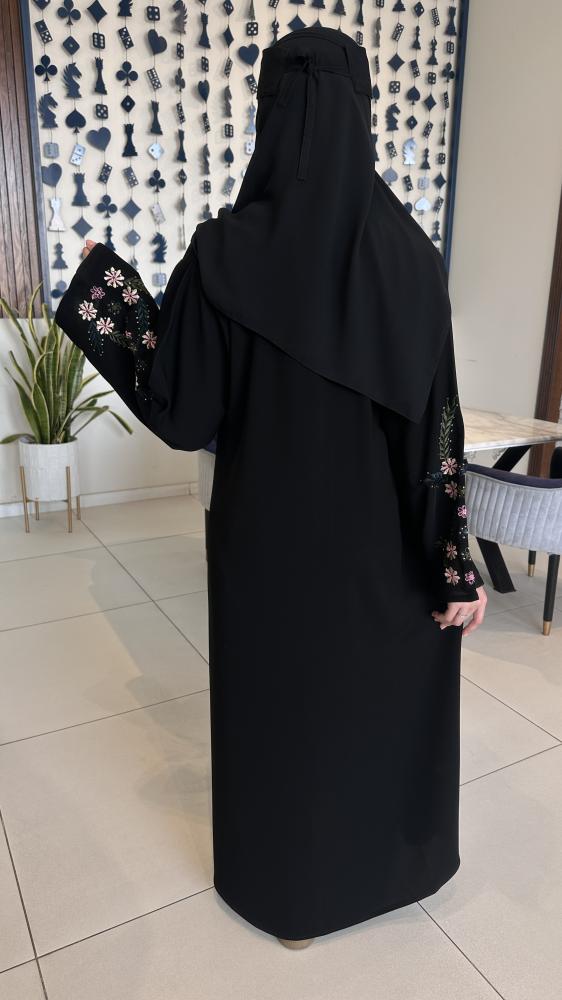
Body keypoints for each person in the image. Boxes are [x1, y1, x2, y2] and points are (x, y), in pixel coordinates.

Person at [54, 25, 487, 950]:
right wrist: (452, 565)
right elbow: (438, 431)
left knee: (285, 717)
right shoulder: (411, 263)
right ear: (363, 118)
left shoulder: (223, 257)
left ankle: (289, 894)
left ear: (269, 119)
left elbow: (181, 408)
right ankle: (389, 871)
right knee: (374, 699)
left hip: (269, 557)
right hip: (380, 559)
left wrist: (106, 289)